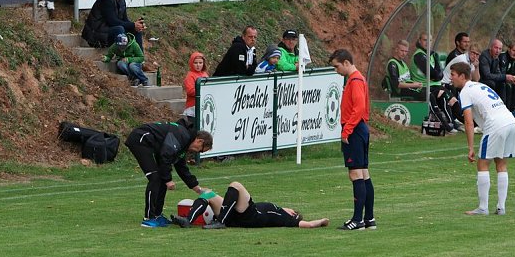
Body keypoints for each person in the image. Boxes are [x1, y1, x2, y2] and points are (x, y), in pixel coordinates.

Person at [450, 61, 515, 216]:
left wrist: (470, 148)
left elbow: (468, 122)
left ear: (462, 76)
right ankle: (501, 207)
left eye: (453, 75)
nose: (451, 78)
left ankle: (483, 207)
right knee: (501, 164)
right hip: (510, 121)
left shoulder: (465, 92)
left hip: (496, 124)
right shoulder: (480, 86)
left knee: (482, 163)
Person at [124, 121, 212, 227]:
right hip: (140, 139)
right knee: (155, 178)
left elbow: (181, 167)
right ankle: (148, 218)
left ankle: (157, 215)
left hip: (150, 143)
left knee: (160, 178)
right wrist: (168, 179)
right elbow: (165, 156)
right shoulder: (182, 136)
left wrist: (196, 187)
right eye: (200, 150)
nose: (197, 152)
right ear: (199, 141)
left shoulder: (185, 142)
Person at [329, 49, 375, 231]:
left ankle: (357, 220)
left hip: (355, 129)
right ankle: (369, 218)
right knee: (364, 173)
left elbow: (359, 107)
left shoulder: (355, 80)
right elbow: (364, 108)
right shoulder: (358, 79)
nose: (336, 70)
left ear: (346, 62)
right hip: (360, 128)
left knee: (355, 173)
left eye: (337, 66)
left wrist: (346, 131)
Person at [171, 181, 330, 229]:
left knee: (236, 185)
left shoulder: (285, 217)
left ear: (293, 215)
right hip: (237, 214)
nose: (292, 209)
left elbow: (308, 224)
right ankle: (188, 220)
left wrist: (321, 221)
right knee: (207, 193)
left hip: (249, 215)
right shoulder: (279, 209)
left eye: (294, 211)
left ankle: (221, 222)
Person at [81, 0, 146, 50]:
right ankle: (123, 57)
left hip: (107, 32)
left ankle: (139, 58)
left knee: (136, 30)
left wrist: (136, 25)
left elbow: (125, 19)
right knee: (119, 29)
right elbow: (112, 21)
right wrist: (133, 25)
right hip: (96, 34)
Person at [182, 51, 207, 118]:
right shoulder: (190, 75)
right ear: (191, 63)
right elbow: (190, 91)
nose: (198, 65)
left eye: (200, 63)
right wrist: (202, 90)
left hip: (204, 104)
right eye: (195, 63)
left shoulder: (205, 74)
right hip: (193, 106)